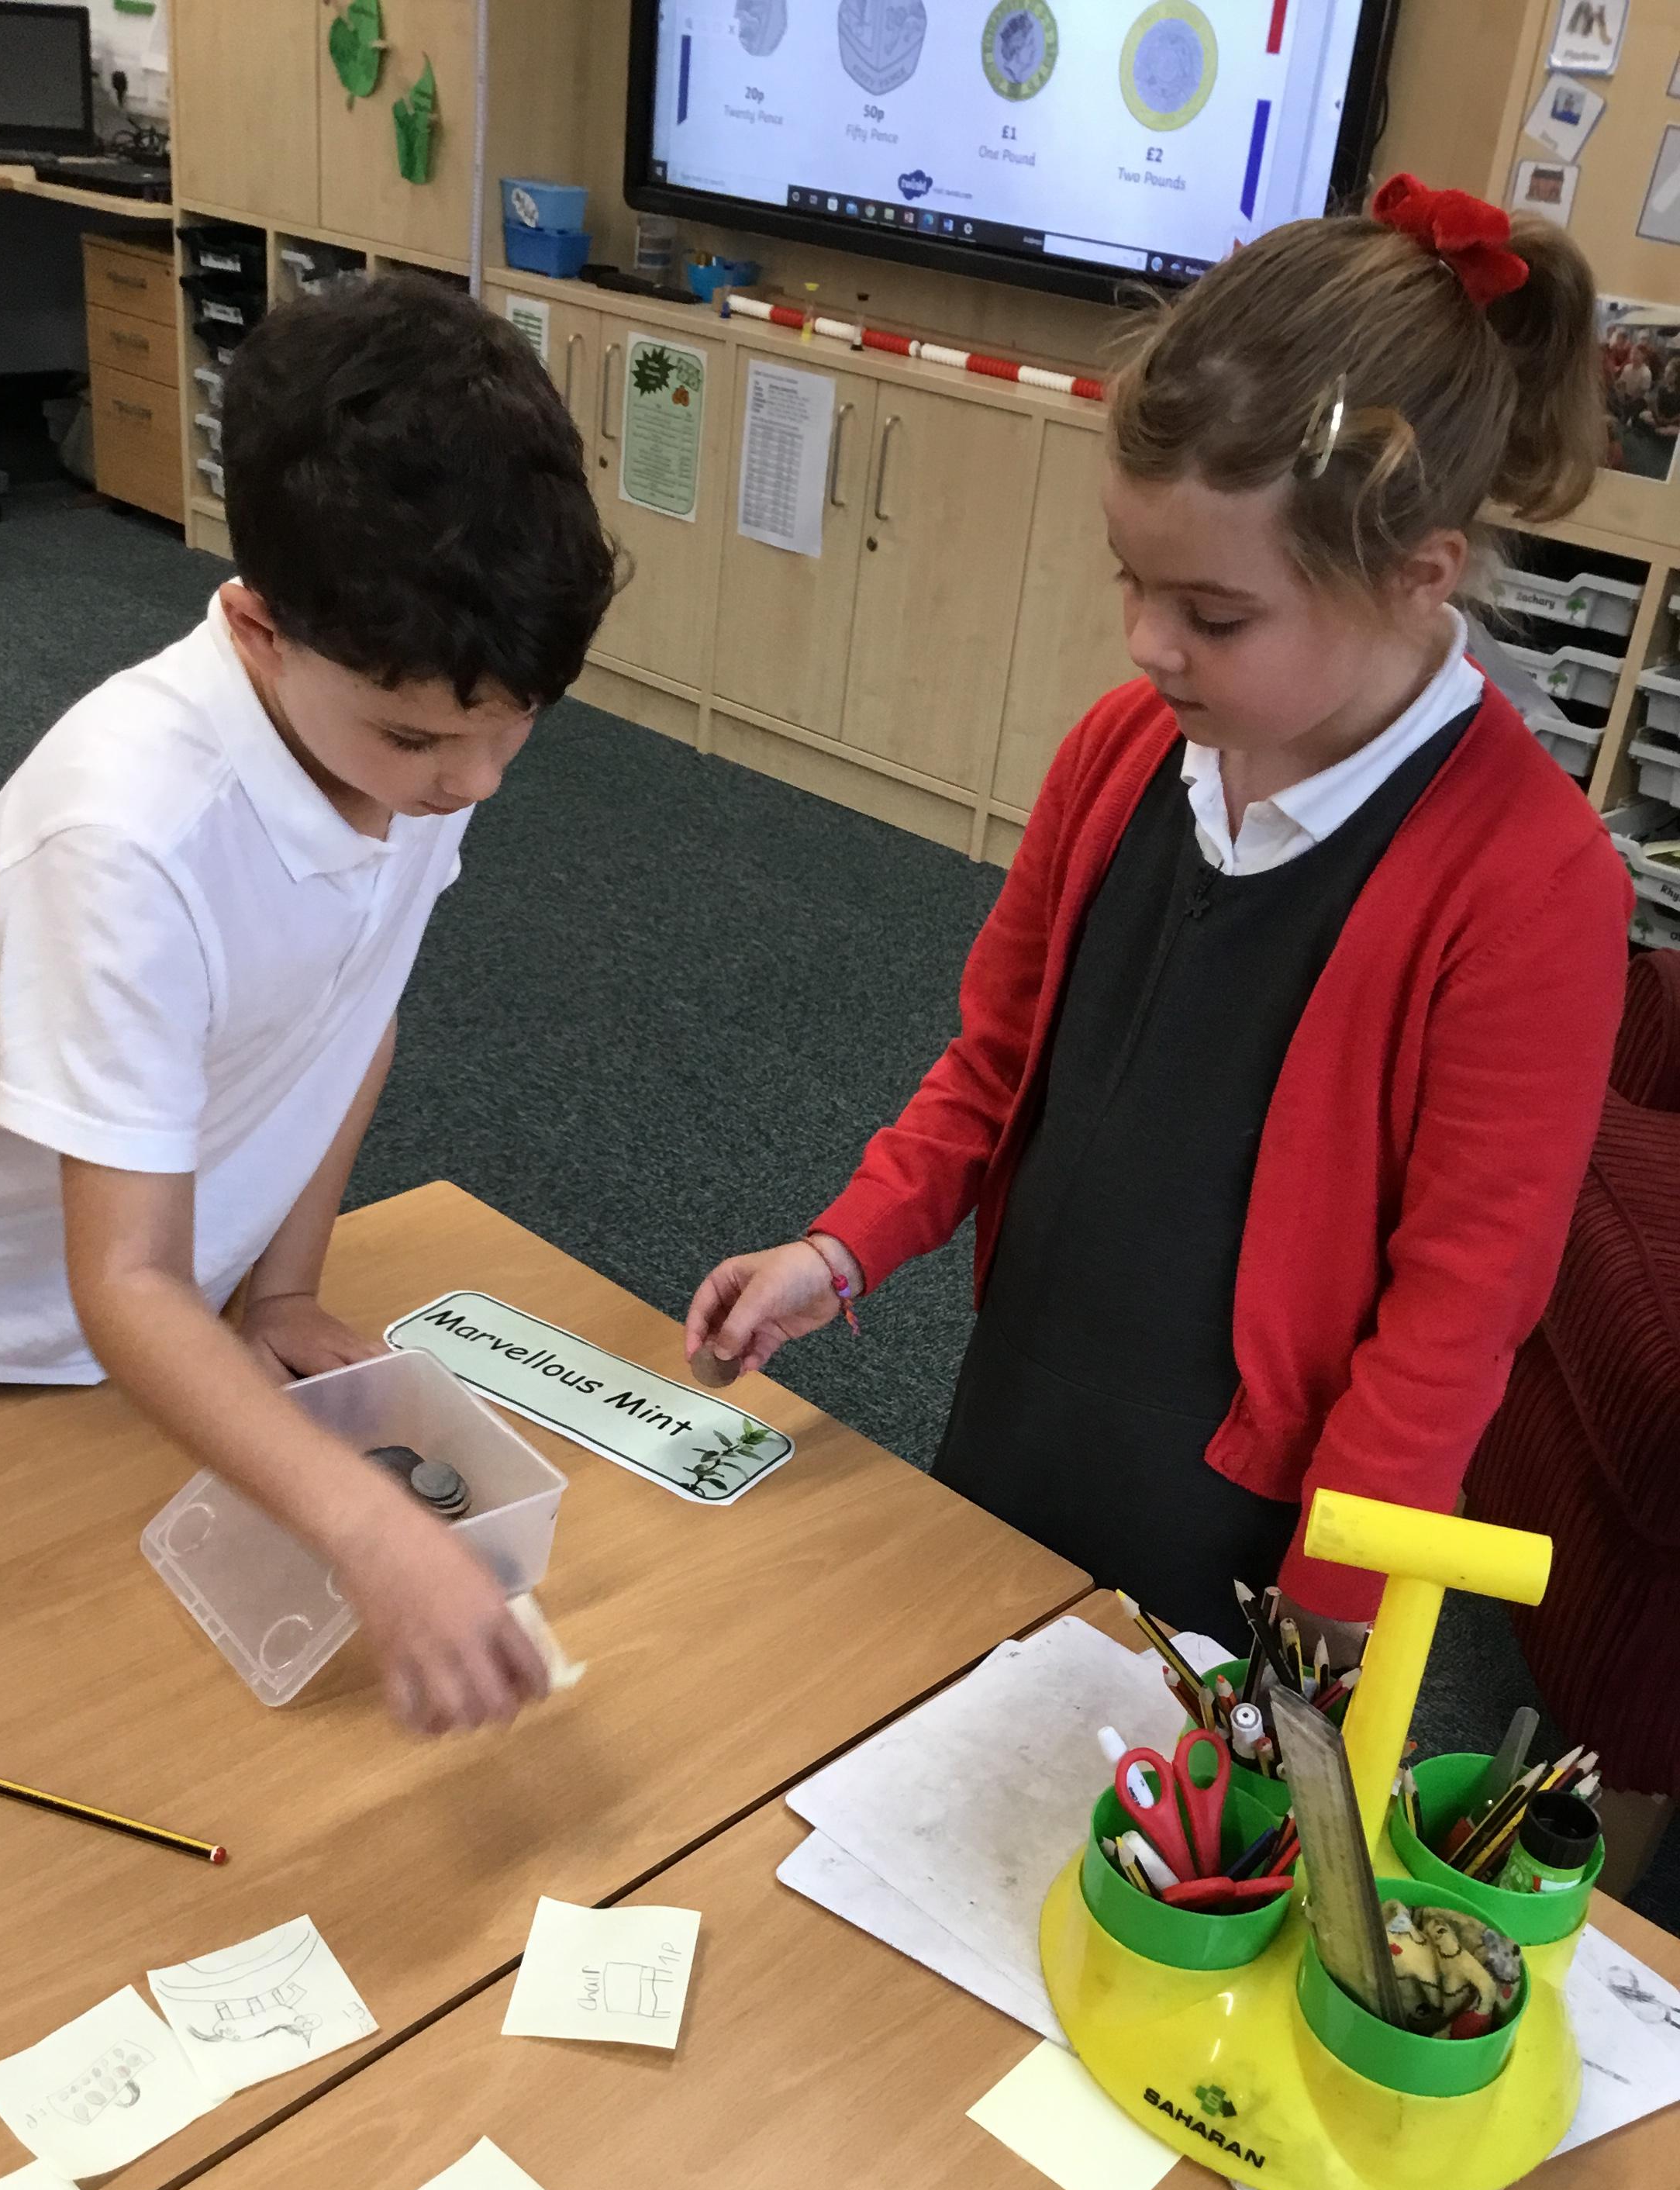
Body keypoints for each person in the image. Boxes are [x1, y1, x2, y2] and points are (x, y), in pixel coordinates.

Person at [686, 174, 1632, 1653]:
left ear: (1415, 578)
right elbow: (996, 1067)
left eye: (1215, 615)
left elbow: (1459, 1312)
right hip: (1030, 1394)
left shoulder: (1534, 882)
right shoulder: (1124, 752)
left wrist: (1325, 1622)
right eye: (1133, 583)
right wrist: (843, 1249)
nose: (1147, 643)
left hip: (1251, 1525)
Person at [0, 275, 618, 1732]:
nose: (476, 784)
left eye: (517, 729)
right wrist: (368, 1534)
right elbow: (121, 1282)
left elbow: (356, 1010)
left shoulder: (400, 749)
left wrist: (284, 1287)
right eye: (425, 738)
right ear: (256, 632)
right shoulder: (127, 838)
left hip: (163, 1293)